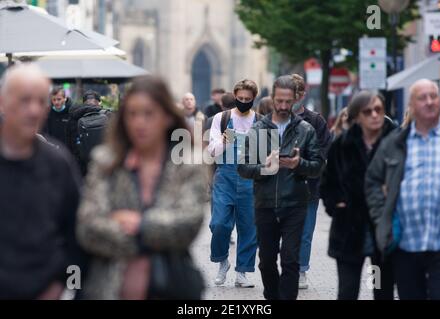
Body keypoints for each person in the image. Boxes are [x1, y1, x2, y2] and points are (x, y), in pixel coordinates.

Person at [76, 76, 206, 300]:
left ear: (166, 117)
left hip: (171, 287)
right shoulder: (106, 162)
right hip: (109, 289)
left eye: (149, 114)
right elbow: (88, 227)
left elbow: (188, 224)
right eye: (132, 114)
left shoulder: (188, 163)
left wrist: (139, 224)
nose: (139, 123)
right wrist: (156, 236)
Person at [0, 64, 84, 299]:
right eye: (25, 100)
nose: (34, 110)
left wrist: (58, 285)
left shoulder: (58, 163)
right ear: (3, 102)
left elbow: (77, 233)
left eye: (40, 101)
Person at [238, 75, 324, 300]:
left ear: (296, 99)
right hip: (265, 203)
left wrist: (299, 165)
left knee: (290, 260)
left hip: (295, 203)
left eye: (288, 101)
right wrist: (263, 168)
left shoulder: (305, 130)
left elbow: (318, 166)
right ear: (273, 99)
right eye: (279, 101)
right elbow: (244, 167)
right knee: (266, 262)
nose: (284, 106)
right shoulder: (258, 129)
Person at [365, 79, 440, 300]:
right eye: (422, 97)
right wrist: (381, 216)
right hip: (405, 243)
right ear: (411, 104)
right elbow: (372, 181)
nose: (429, 102)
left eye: (434, 96)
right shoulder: (394, 143)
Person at [320, 91, 396, 300]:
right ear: (357, 116)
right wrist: (335, 204)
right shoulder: (342, 145)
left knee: (381, 291)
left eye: (378, 110)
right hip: (349, 232)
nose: (374, 115)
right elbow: (327, 183)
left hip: (382, 234)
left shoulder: (395, 143)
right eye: (367, 111)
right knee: (348, 291)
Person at [208, 79, 260, 288]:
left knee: (248, 228)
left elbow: (268, 157)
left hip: (250, 179)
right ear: (235, 96)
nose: (244, 102)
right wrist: (225, 139)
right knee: (219, 223)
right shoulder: (221, 118)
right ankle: (222, 261)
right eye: (240, 98)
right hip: (225, 178)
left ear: (253, 99)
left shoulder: (261, 121)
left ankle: (243, 272)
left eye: (248, 99)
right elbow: (212, 151)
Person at [291, 74, 332, 289]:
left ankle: (301, 270)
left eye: (294, 94)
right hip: (280, 188)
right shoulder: (273, 120)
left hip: (308, 186)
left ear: (302, 95)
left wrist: (308, 164)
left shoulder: (316, 120)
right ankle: (289, 266)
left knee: (305, 232)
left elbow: (325, 150)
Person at [65, 90, 104, 176]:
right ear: (98, 102)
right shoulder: (106, 116)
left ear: (83, 103)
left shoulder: (73, 117)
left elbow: (69, 144)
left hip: (80, 164)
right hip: (101, 162)